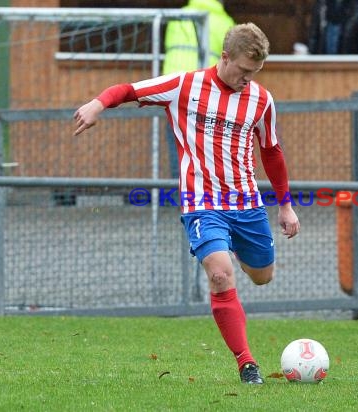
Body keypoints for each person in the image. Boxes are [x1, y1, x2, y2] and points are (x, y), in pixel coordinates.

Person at [73, 23, 300, 385]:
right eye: (243, 71)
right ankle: (246, 363)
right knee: (220, 274)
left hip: (246, 204)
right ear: (225, 58)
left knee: (262, 276)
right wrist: (98, 103)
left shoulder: (261, 100)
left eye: (254, 73)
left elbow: (271, 151)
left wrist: (285, 205)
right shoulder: (185, 86)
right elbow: (129, 90)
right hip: (201, 202)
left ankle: (234, 247)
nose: (247, 80)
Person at [163, 0, 235, 179]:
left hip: (174, 89)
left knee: (178, 145)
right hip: (205, 92)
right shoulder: (226, 24)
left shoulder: (178, 16)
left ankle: (180, 195)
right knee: (207, 148)